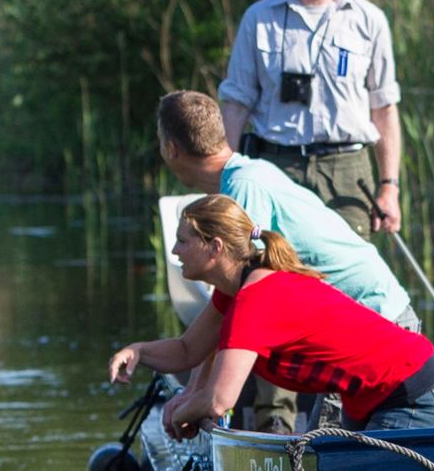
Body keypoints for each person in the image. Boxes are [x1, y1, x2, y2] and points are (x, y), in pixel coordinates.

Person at [158, 90, 419, 432]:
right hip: (375, 315)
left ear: (171, 148)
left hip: (378, 322)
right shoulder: (250, 171)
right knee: (325, 448)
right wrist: (195, 391)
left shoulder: (242, 191)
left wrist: (196, 394)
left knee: (327, 454)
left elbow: (236, 299)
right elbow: (228, 302)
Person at [108, 195, 434, 436]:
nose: (174, 250)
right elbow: (187, 351)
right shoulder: (236, 289)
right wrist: (138, 351)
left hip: (407, 389)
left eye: (183, 241)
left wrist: (179, 412)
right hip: (369, 396)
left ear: (215, 247)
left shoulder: (254, 299)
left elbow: (220, 400)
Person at [218, 0, 402, 239]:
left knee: (346, 270)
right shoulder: (258, 18)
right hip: (275, 168)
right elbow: (236, 102)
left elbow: (384, 108)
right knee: (273, 265)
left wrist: (389, 186)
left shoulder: (368, 19)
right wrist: (225, 178)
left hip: (347, 172)